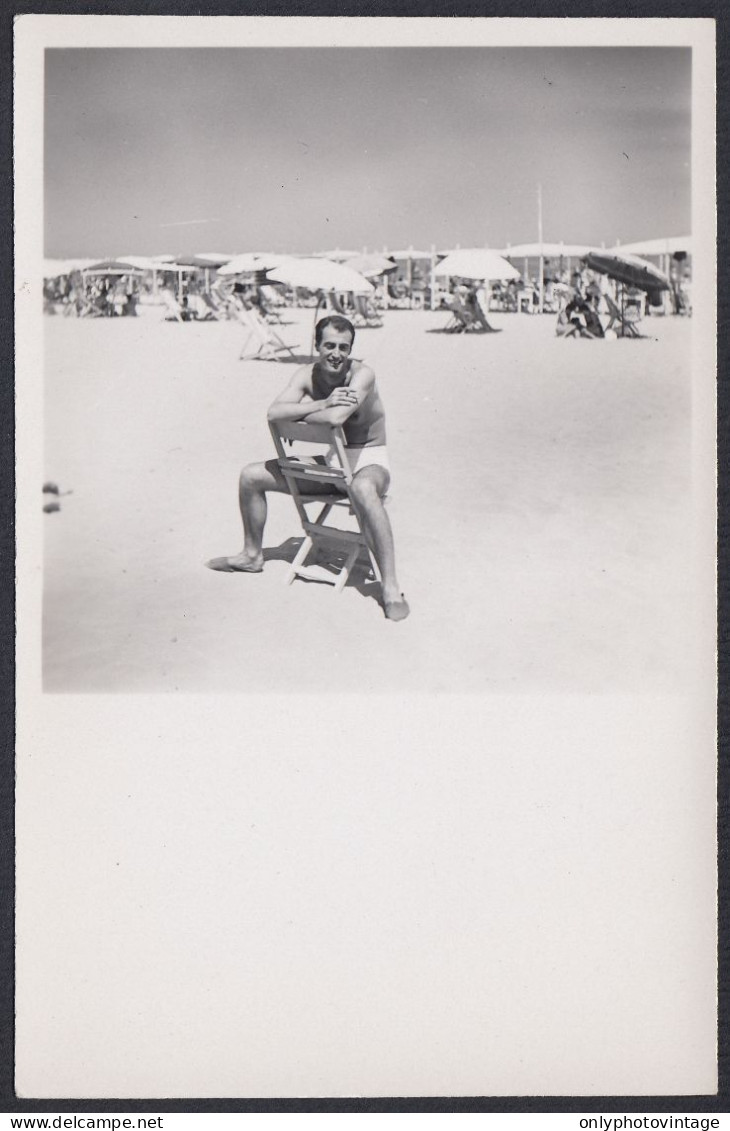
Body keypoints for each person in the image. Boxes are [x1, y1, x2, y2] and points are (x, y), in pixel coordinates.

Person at [207, 315, 409, 622]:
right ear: (317, 345)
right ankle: (251, 555)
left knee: (362, 487)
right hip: (332, 464)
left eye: (344, 347)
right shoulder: (306, 375)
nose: (336, 354)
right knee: (251, 475)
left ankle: (391, 587)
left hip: (369, 460)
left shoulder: (362, 375)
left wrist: (301, 416)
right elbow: (274, 412)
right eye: (329, 345)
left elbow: (336, 419)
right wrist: (318, 404)